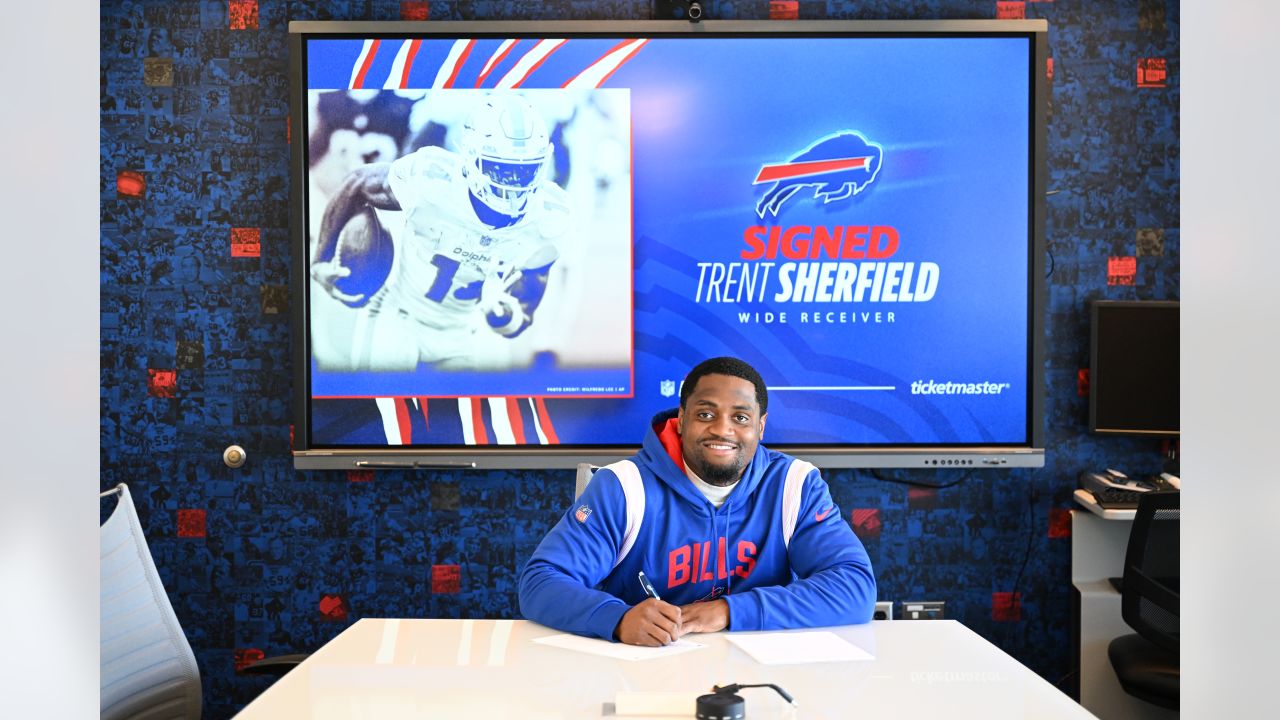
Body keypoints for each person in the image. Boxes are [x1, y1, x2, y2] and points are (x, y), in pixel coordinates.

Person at [519, 357, 877, 646]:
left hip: (759, 676)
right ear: (680, 421)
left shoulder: (794, 485)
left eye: (740, 418)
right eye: (705, 414)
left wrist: (728, 611)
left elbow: (855, 587)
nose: (722, 429)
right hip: (646, 675)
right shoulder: (623, 486)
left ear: (761, 427)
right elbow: (540, 582)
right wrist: (617, 618)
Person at [311, 92, 569, 371]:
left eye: (525, 172)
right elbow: (357, 183)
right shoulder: (434, 180)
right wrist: (321, 260)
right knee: (379, 405)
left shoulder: (548, 215)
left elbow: (528, 295)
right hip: (400, 316)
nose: (514, 185)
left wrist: (508, 318)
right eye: (501, 170)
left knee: (474, 409)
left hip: (468, 328)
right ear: (471, 157)